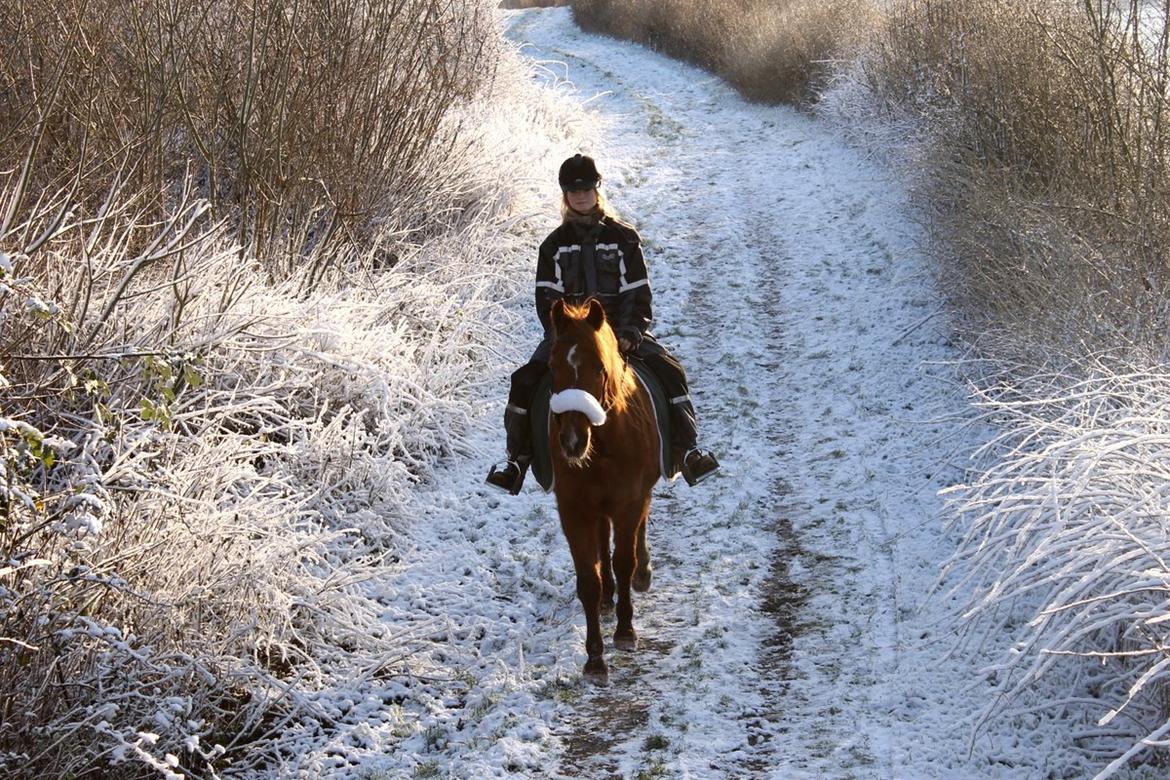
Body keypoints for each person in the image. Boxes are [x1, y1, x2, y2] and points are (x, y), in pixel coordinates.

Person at [485, 154, 720, 494]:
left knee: (670, 370)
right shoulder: (552, 246)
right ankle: (516, 460)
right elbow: (548, 301)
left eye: (586, 189)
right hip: (567, 338)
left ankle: (688, 450)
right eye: (572, 190)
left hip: (620, 335)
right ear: (565, 195)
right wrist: (563, 336)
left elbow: (637, 294)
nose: (580, 196)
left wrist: (629, 333)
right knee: (524, 380)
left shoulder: (624, 238)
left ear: (597, 190)